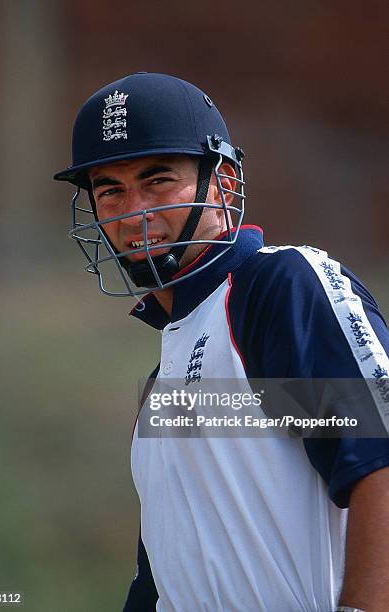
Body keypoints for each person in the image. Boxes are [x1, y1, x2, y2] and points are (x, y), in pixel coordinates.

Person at [54, 72, 389, 612]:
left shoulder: (274, 292)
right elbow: (160, 578)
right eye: (109, 189)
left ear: (224, 184)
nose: (133, 209)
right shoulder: (165, 378)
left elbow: (378, 457)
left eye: (158, 179)